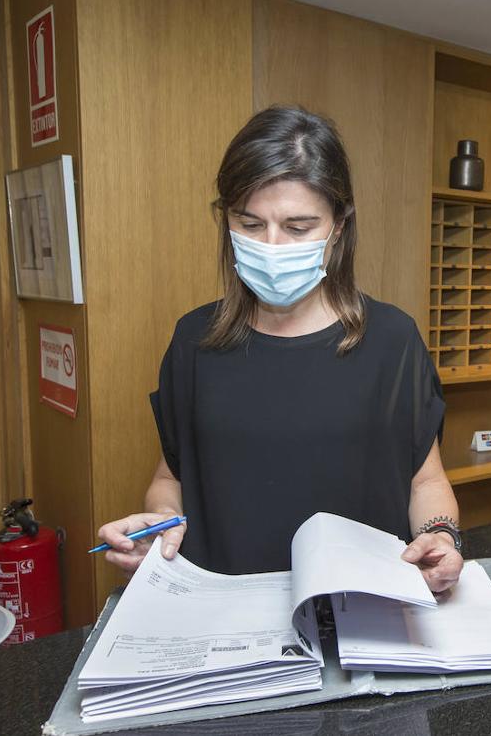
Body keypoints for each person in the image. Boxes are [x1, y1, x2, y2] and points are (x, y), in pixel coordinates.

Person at [95, 106, 463, 593]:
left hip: (360, 609)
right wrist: (159, 527)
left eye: (297, 227)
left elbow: (425, 482)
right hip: (224, 614)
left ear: (339, 226)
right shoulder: (194, 340)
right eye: (249, 224)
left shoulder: (392, 340)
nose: (271, 246)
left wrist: (440, 537)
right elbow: (172, 476)